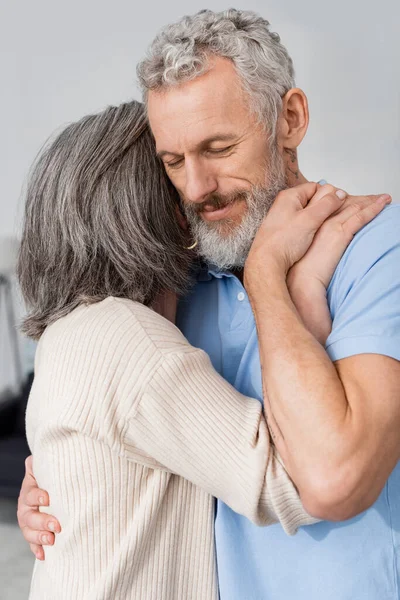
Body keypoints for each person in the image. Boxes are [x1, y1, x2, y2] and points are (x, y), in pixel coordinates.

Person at [18, 9, 400, 600]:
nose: (196, 188)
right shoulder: (173, 288)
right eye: (173, 162)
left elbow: (333, 478)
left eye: (218, 148)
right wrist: (57, 478)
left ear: (290, 119)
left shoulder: (378, 247)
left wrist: (269, 279)